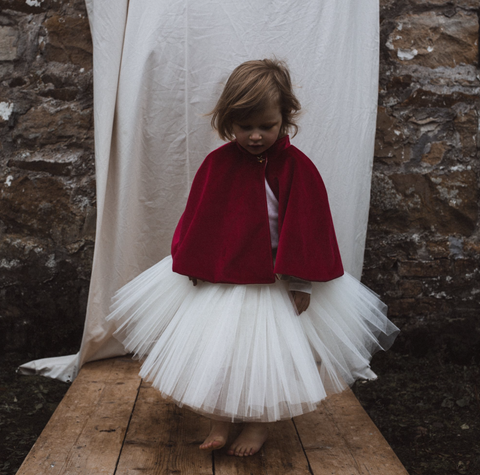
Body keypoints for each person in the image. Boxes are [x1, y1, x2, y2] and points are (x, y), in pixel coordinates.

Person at [107, 59, 399, 457]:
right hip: (224, 279)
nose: (256, 136)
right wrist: (193, 262)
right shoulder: (218, 164)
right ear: (229, 122)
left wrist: (300, 279)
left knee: (265, 358)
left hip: (273, 283)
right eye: (245, 128)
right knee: (218, 351)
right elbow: (200, 216)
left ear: (286, 118)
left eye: (267, 125)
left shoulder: (297, 168)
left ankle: (259, 424)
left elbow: (307, 227)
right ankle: (218, 418)